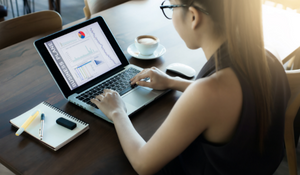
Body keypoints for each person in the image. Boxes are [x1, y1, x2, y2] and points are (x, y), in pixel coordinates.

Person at [91, 0, 291, 174]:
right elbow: (226, 98)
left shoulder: (208, 92)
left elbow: (143, 163)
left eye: (171, 7)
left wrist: (118, 112)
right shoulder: (268, 59)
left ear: (194, 16)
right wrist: (172, 82)